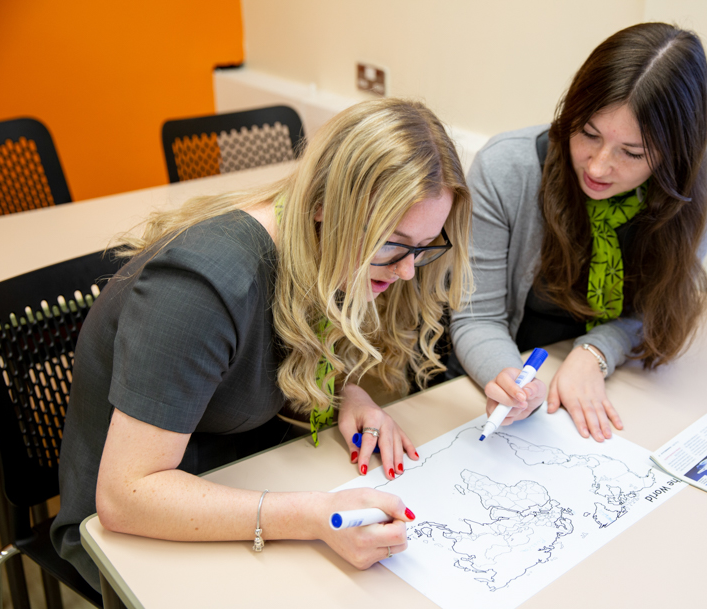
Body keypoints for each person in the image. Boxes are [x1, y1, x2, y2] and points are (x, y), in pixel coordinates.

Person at [51, 98, 473, 588]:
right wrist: (314, 517)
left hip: (243, 467)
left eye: (422, 248)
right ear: (324, 207)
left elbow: (290, 346)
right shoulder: (200, 290)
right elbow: (126, 496)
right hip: (135, 535)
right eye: (393, 243)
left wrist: (347, 394)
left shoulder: (319, 249)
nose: (405, 271)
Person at [450, 23, 707, 443]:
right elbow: (475, 316)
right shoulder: (508, 168)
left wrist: (596, 351)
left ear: (676, 154)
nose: (597, 167)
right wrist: (509, 382)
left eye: (631, 153)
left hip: (615, 383)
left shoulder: (702, 174)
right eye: (587, 134)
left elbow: (664, 302)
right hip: (507, 379)